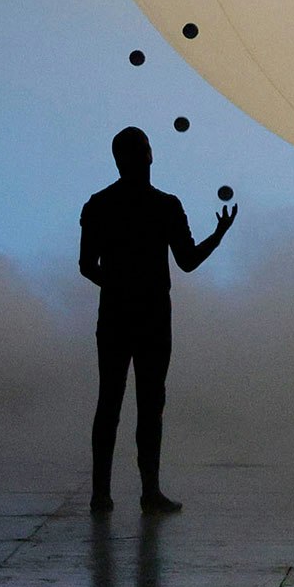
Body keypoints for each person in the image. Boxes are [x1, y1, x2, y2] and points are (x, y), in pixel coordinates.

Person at [79, 125, 237, 512]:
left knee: (109, 401)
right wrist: (218, 235)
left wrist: (115, 286)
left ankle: (102, 493)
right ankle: (150, 491)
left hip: (115, 314)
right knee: (150, 404)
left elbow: (86, 265)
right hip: (152, 317)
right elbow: (186, 261)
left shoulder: (99, 204)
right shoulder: (165, 205)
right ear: (149, 155)